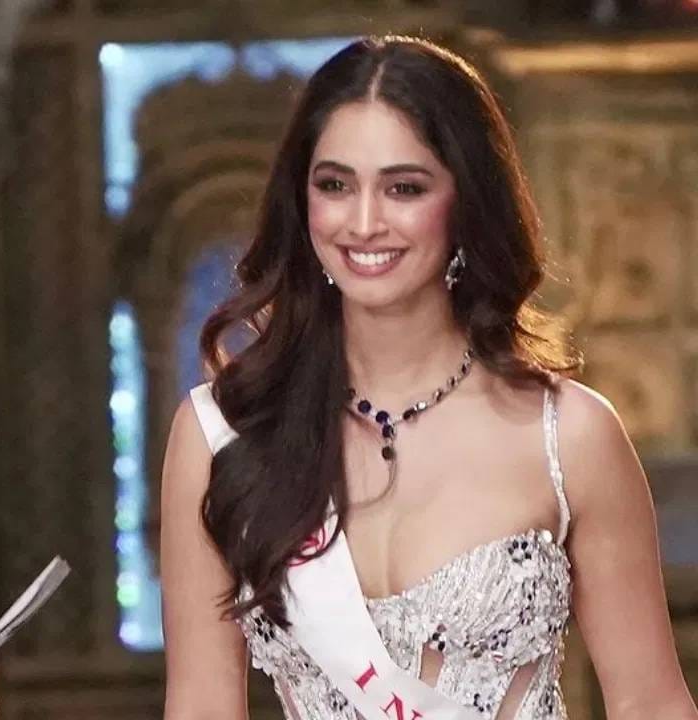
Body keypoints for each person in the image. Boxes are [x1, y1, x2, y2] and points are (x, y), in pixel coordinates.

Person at [160, 36, 697, 720]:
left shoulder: (570, 435)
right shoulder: (222, 436)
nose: (364, 223)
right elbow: (201, 706)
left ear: (466, 201)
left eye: (404, 188)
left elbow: (650, 703)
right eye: (334, 185)